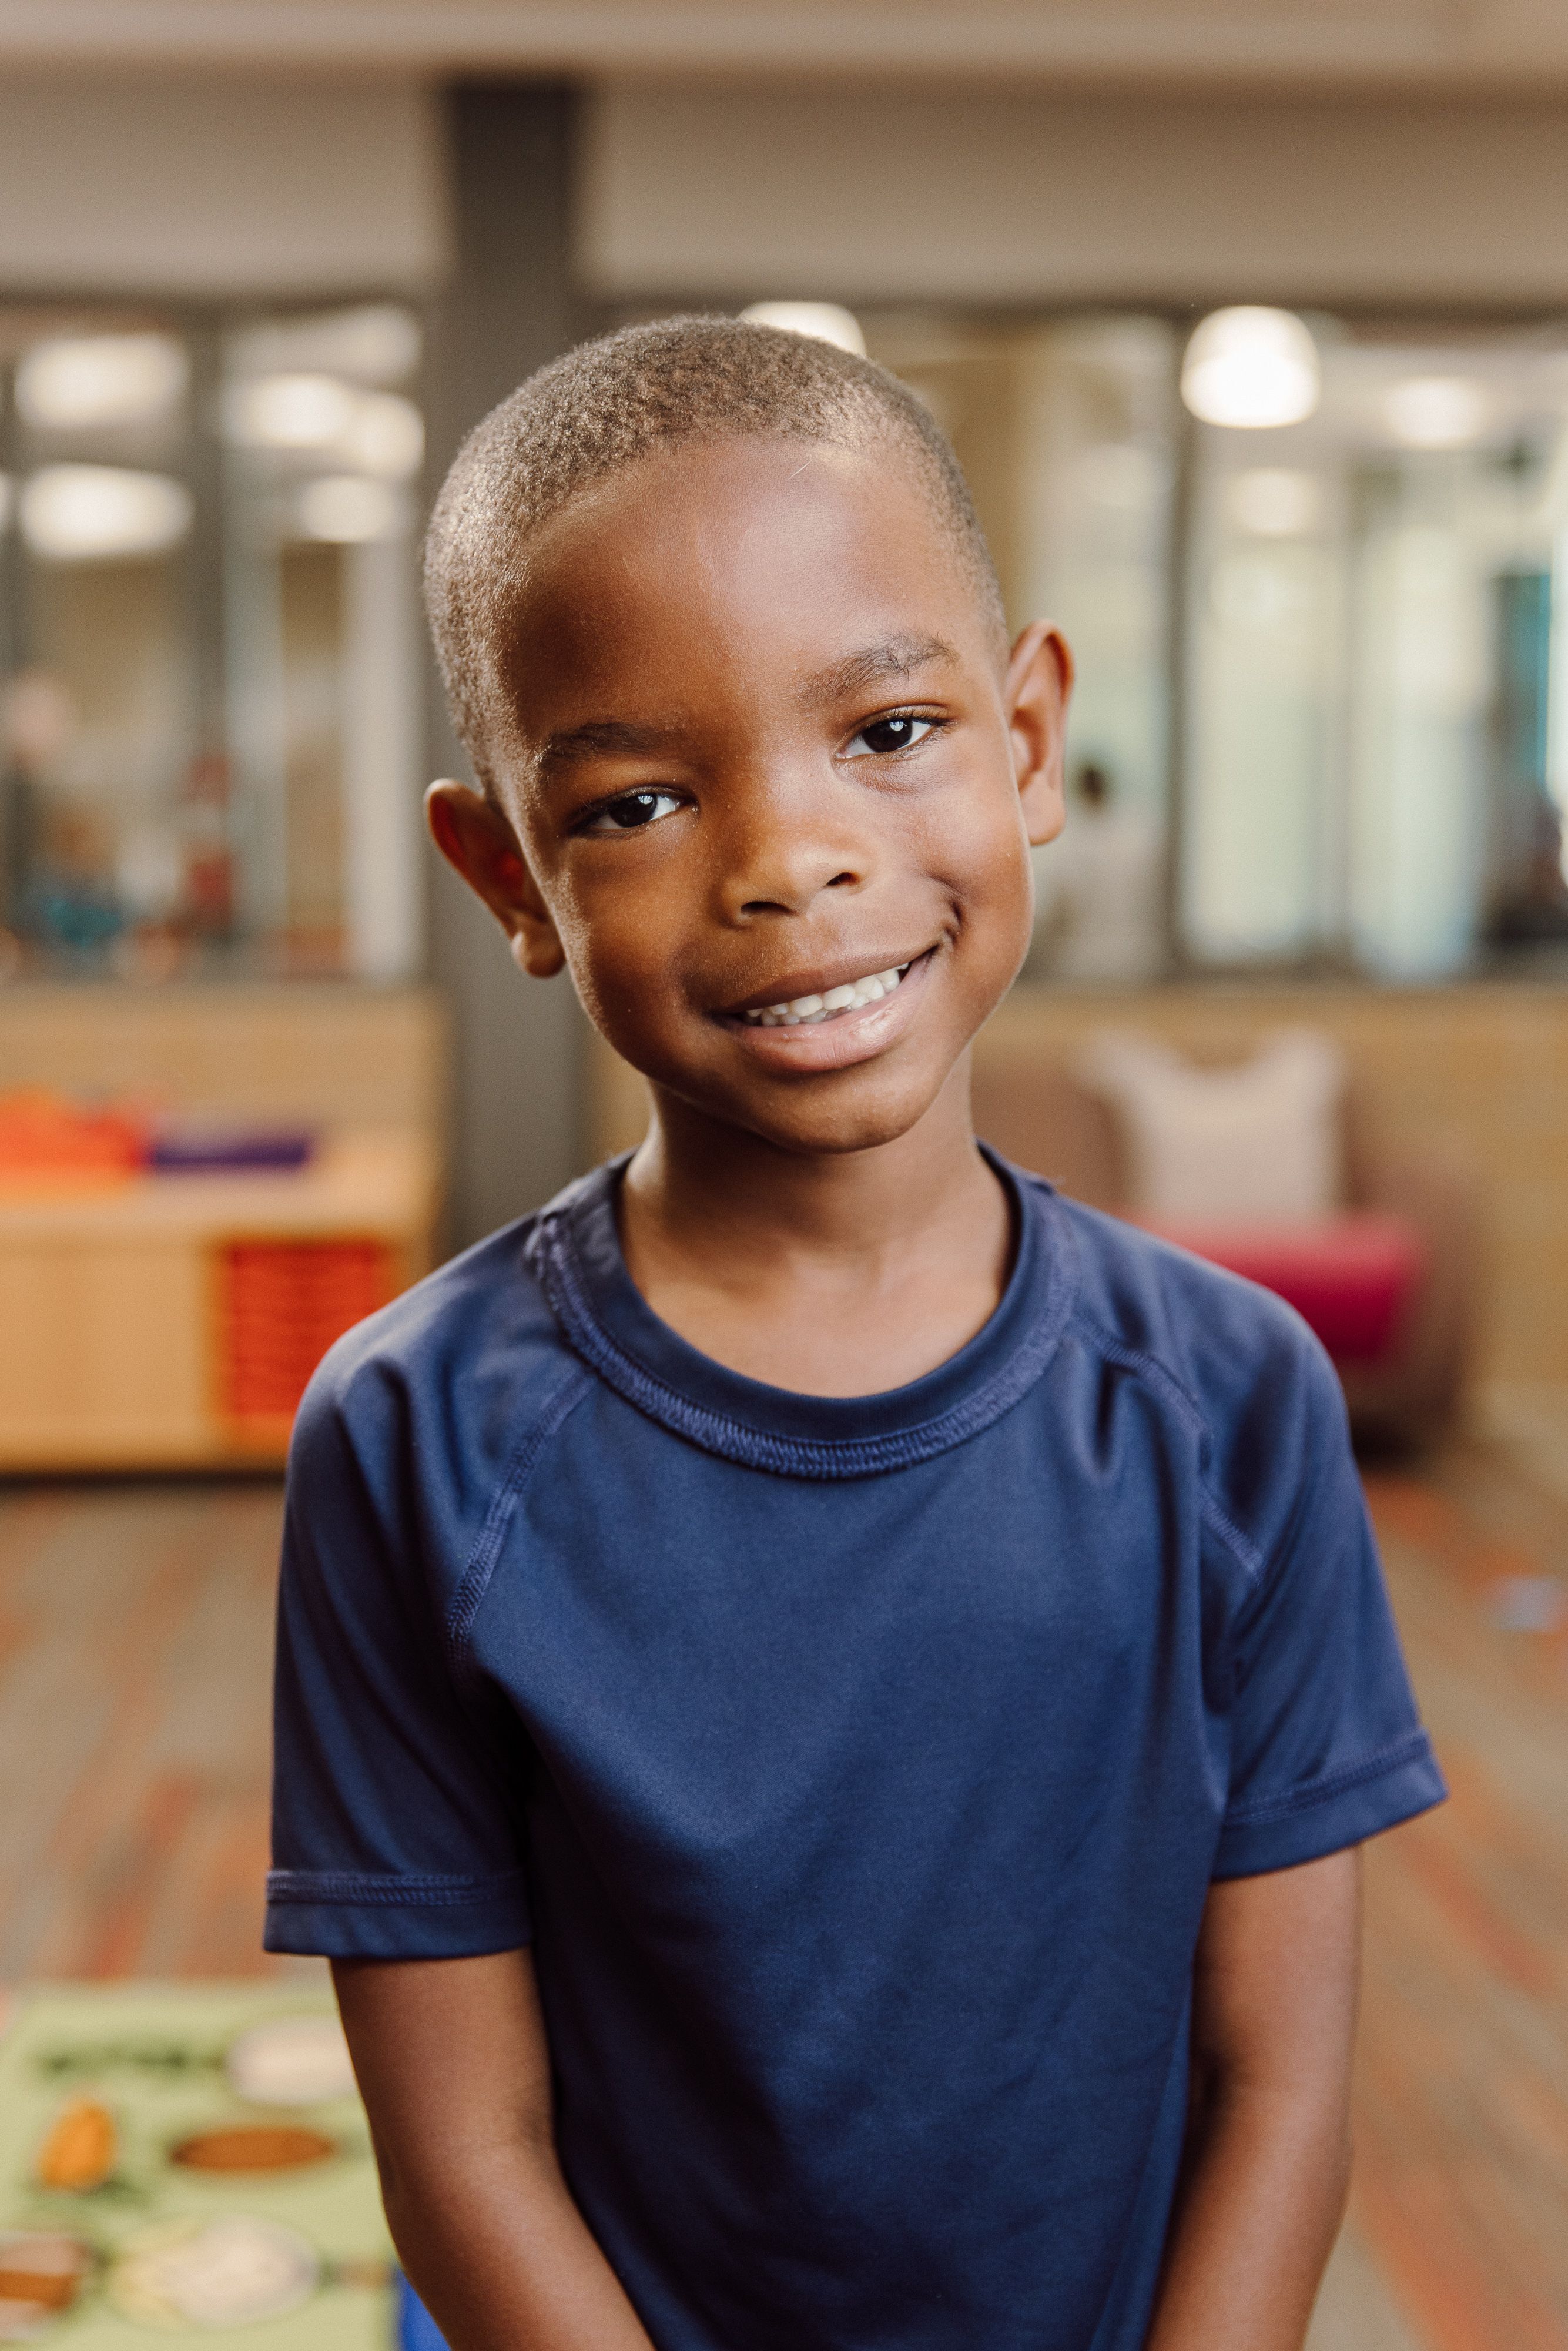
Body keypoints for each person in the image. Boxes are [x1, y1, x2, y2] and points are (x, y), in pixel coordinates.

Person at [266, 318, 1444, 2351]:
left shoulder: (1231, 1401)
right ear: (505, 876)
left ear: (1029, 738)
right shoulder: (414, 1436)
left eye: (886, 735)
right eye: (636, 801)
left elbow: (1278, 2082)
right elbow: (466, 2154)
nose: (785, 862)